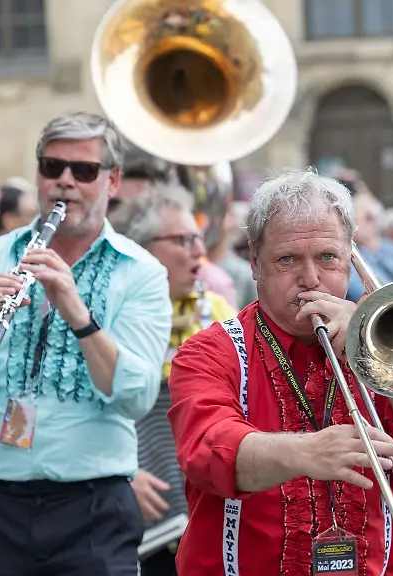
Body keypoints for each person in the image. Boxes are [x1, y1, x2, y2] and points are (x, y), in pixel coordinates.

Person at [166, 168, 393, 576]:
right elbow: (207, 453)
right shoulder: (210, 352)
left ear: (350, 257)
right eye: (287, 260)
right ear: (255, 263)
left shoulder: (381, 341)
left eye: (328, 258)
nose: (310, 279)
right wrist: (307, 452)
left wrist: (387, 360)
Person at [0, 111, 173, 575]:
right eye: (52, 167)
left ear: (113, 180)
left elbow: (135, 396)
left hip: (92, 505)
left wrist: (77, 312)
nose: (65, 182)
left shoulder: (141, 272)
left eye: (83, 171)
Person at [108, 181, 237, 576]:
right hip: (128, 513)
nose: (199, 250)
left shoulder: (217, 309)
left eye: (199, 236)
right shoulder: (110, 315)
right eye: (183, 240)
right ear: (143, 247)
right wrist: (119, 471)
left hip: (205, 509)